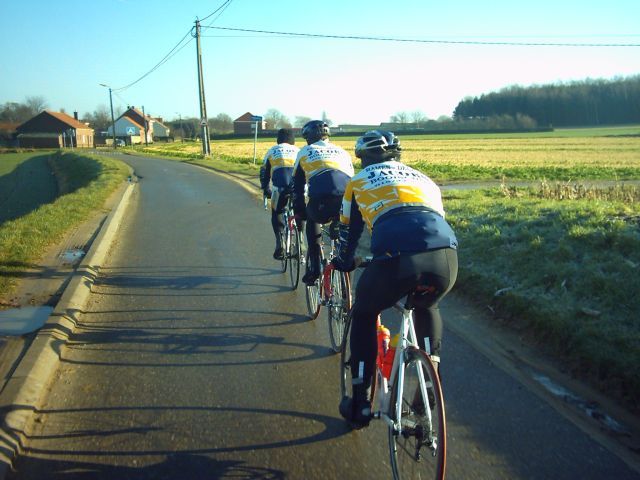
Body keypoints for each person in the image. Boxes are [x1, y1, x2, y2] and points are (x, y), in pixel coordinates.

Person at [332, 130, 458, 429]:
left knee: (364, 313)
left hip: (397, 258)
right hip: (445, 257)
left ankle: (361, 403)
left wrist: (345, 261)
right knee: (428, 306)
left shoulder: (358, 181)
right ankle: (430, 387)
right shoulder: (423, 179)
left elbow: (348, 231)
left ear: (363, 158)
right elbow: (434, 220)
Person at [292, 120, 354, 284]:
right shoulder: (342, 151)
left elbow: (297, 184)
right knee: (344, 226)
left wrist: (299, 210)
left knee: (312, 219)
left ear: (307, 137)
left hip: (321, 202)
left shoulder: (306, 151)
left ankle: (315, 267)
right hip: (347, 201)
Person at [260, 128, 300, 259]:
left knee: (277, 211)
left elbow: (264, 172)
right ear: (292, 141)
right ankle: (302, 241)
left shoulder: (272, 150)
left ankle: (279, 242)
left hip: (280, 189)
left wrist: (266, 189)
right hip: (298, 189)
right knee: (300, 211)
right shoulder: (299, 151)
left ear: (278, 139)